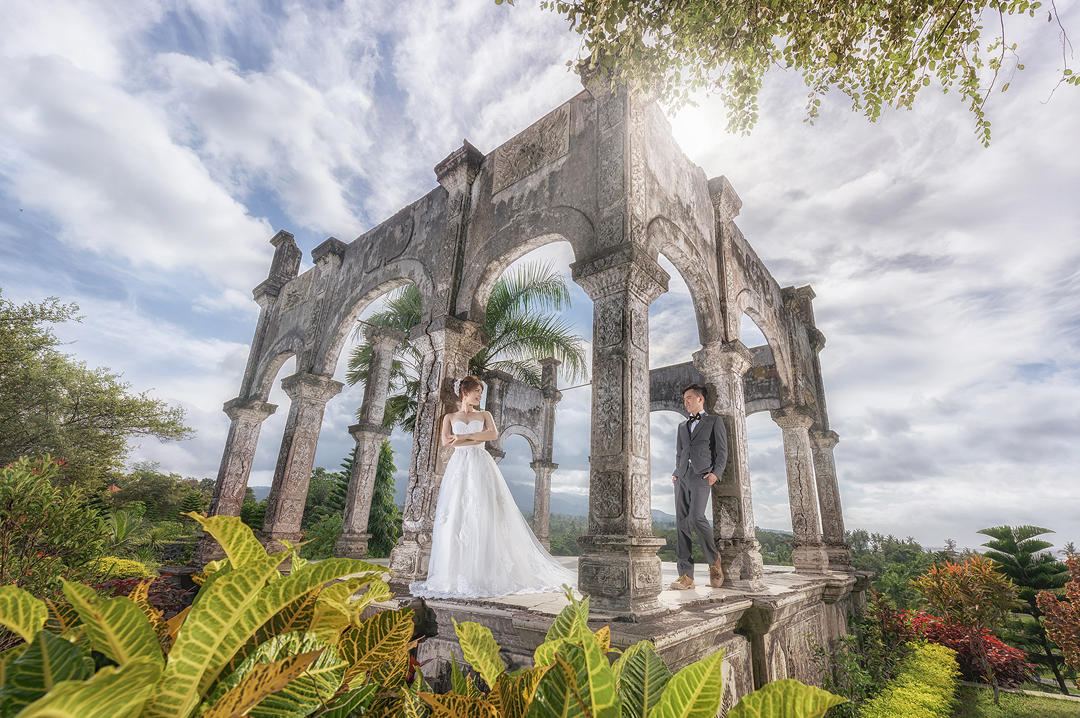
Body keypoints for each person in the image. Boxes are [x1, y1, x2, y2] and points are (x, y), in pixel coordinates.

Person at [409, 374, 577, 599]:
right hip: (459, 467)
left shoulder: (485, 414)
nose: (480, 396)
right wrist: (472, 438)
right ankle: (456, 574)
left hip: (481, 464)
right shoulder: (449, 417)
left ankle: (484, 572)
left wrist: (464, 437)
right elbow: (446, 441)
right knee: (456, 515)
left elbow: (490, 436)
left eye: (481, 392)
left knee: (484, 512)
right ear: (465, 392)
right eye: (477, 392)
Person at [669, 383, 727, 590]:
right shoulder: (681, 426)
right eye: (684, 399)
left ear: (700, 399)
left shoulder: (714, 421)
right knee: (682, 524)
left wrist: (715, 475)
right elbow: (680, 451)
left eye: (689, 398)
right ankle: (686, 576)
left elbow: (722, 451)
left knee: (696, 518)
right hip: (682, 477)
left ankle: (714, 561)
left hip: (702, 476)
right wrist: (676, 473)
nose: (685, 402)